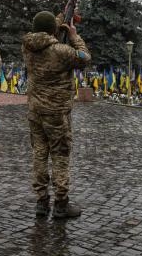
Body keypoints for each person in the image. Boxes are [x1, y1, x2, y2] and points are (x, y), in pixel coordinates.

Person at [22, 11, 91, 219]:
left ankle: (42, 202)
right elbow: (85, 58)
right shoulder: (62, 51)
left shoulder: (27, 47)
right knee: (60, 156)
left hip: (35, 112)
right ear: (54, 29)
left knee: (39, 154)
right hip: (57, 114)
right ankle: (61, 204)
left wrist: (61, 17)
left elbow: (45, 31)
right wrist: (73, 35)